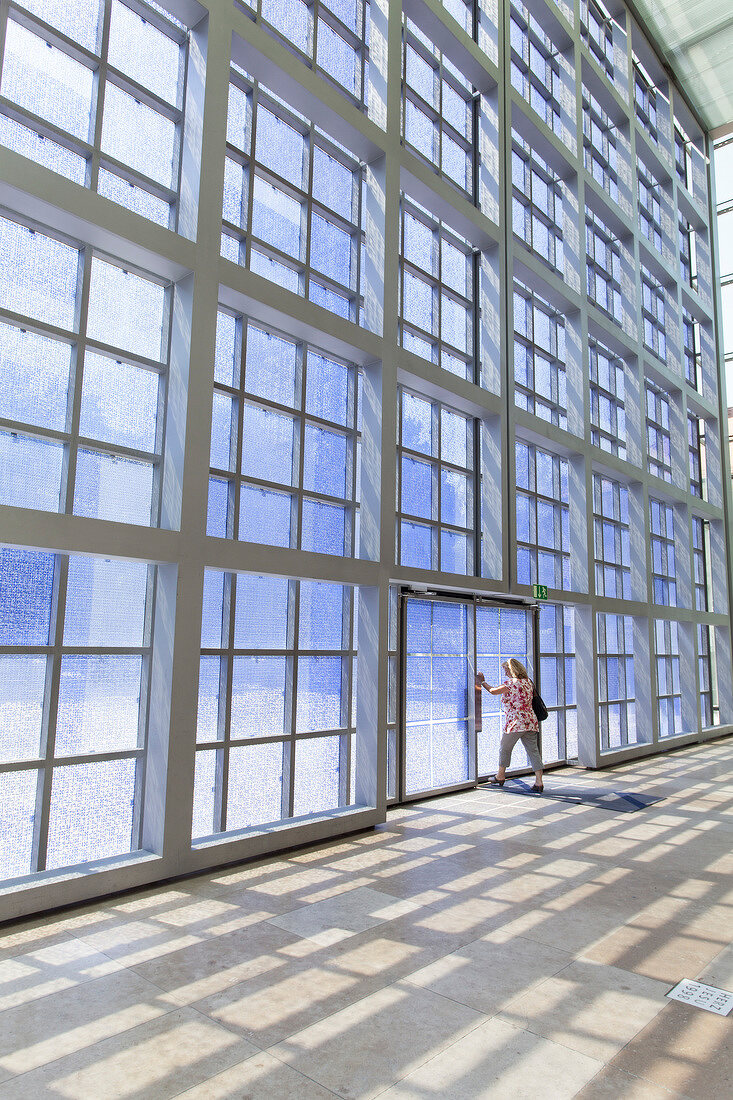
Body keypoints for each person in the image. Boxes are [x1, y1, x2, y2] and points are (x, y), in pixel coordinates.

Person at [476, 658, 543, 792]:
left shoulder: (512, 683)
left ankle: (500, 776)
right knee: (533, 752)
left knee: (505, 748)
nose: (505, 673)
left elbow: (494, 691)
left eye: (506, 670)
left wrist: (482, 682)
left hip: (516, 723)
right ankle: (539, 782)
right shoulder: (528, 682)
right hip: (530, 721)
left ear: (512, 670)